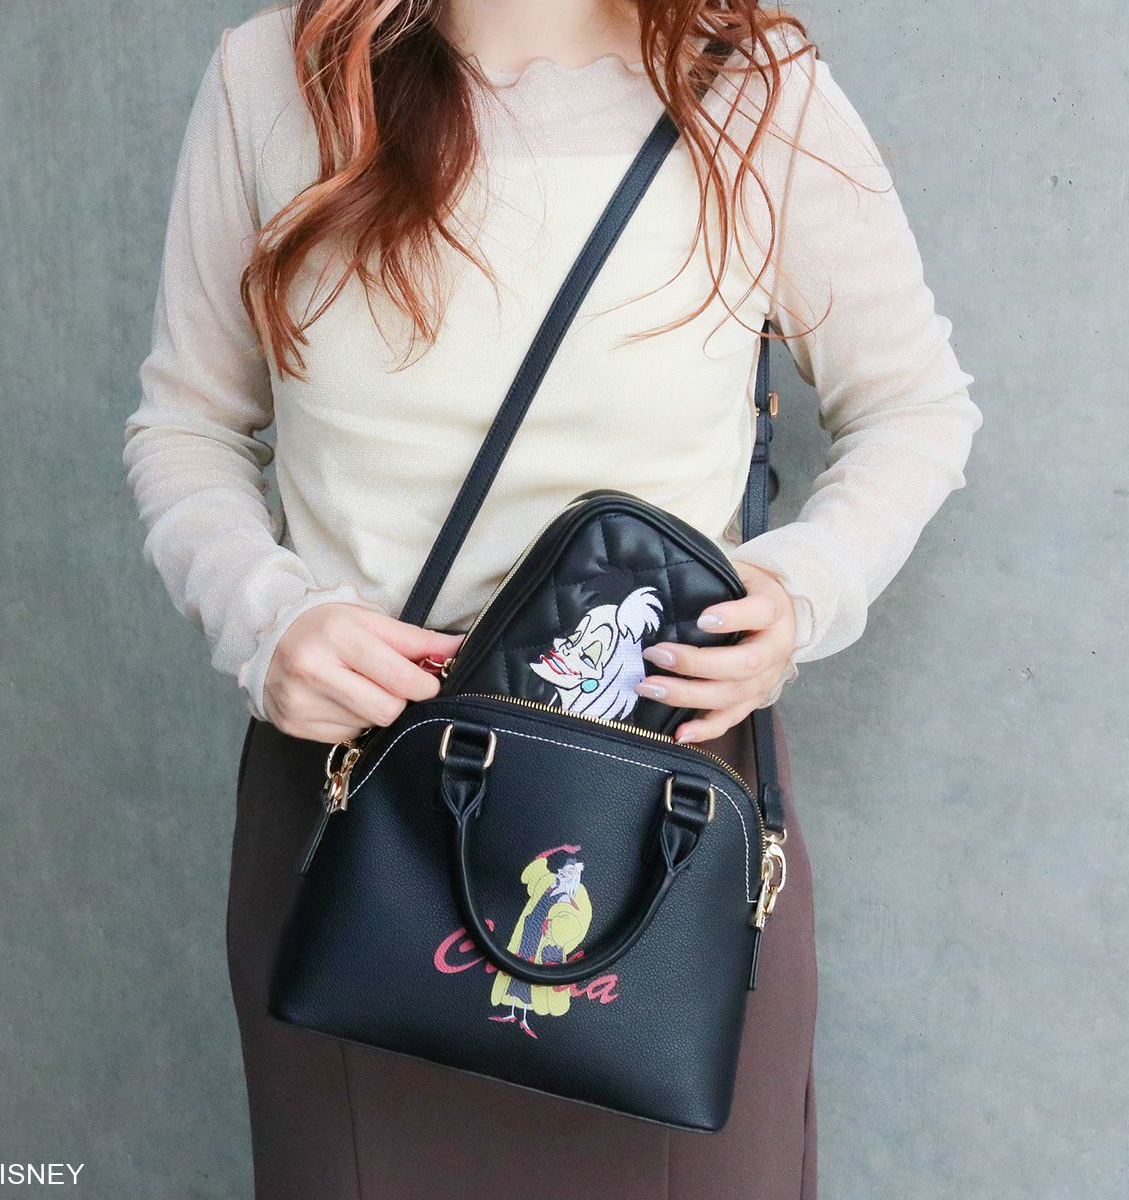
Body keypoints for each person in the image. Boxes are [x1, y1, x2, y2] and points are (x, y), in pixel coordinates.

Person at [122, 1, 982, 1195]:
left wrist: (800, 591)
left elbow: (915, 406)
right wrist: (266, 619)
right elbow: (188, 425)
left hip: (659, 810)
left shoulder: (750, 85)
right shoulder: (278, 75)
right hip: (364, 797)